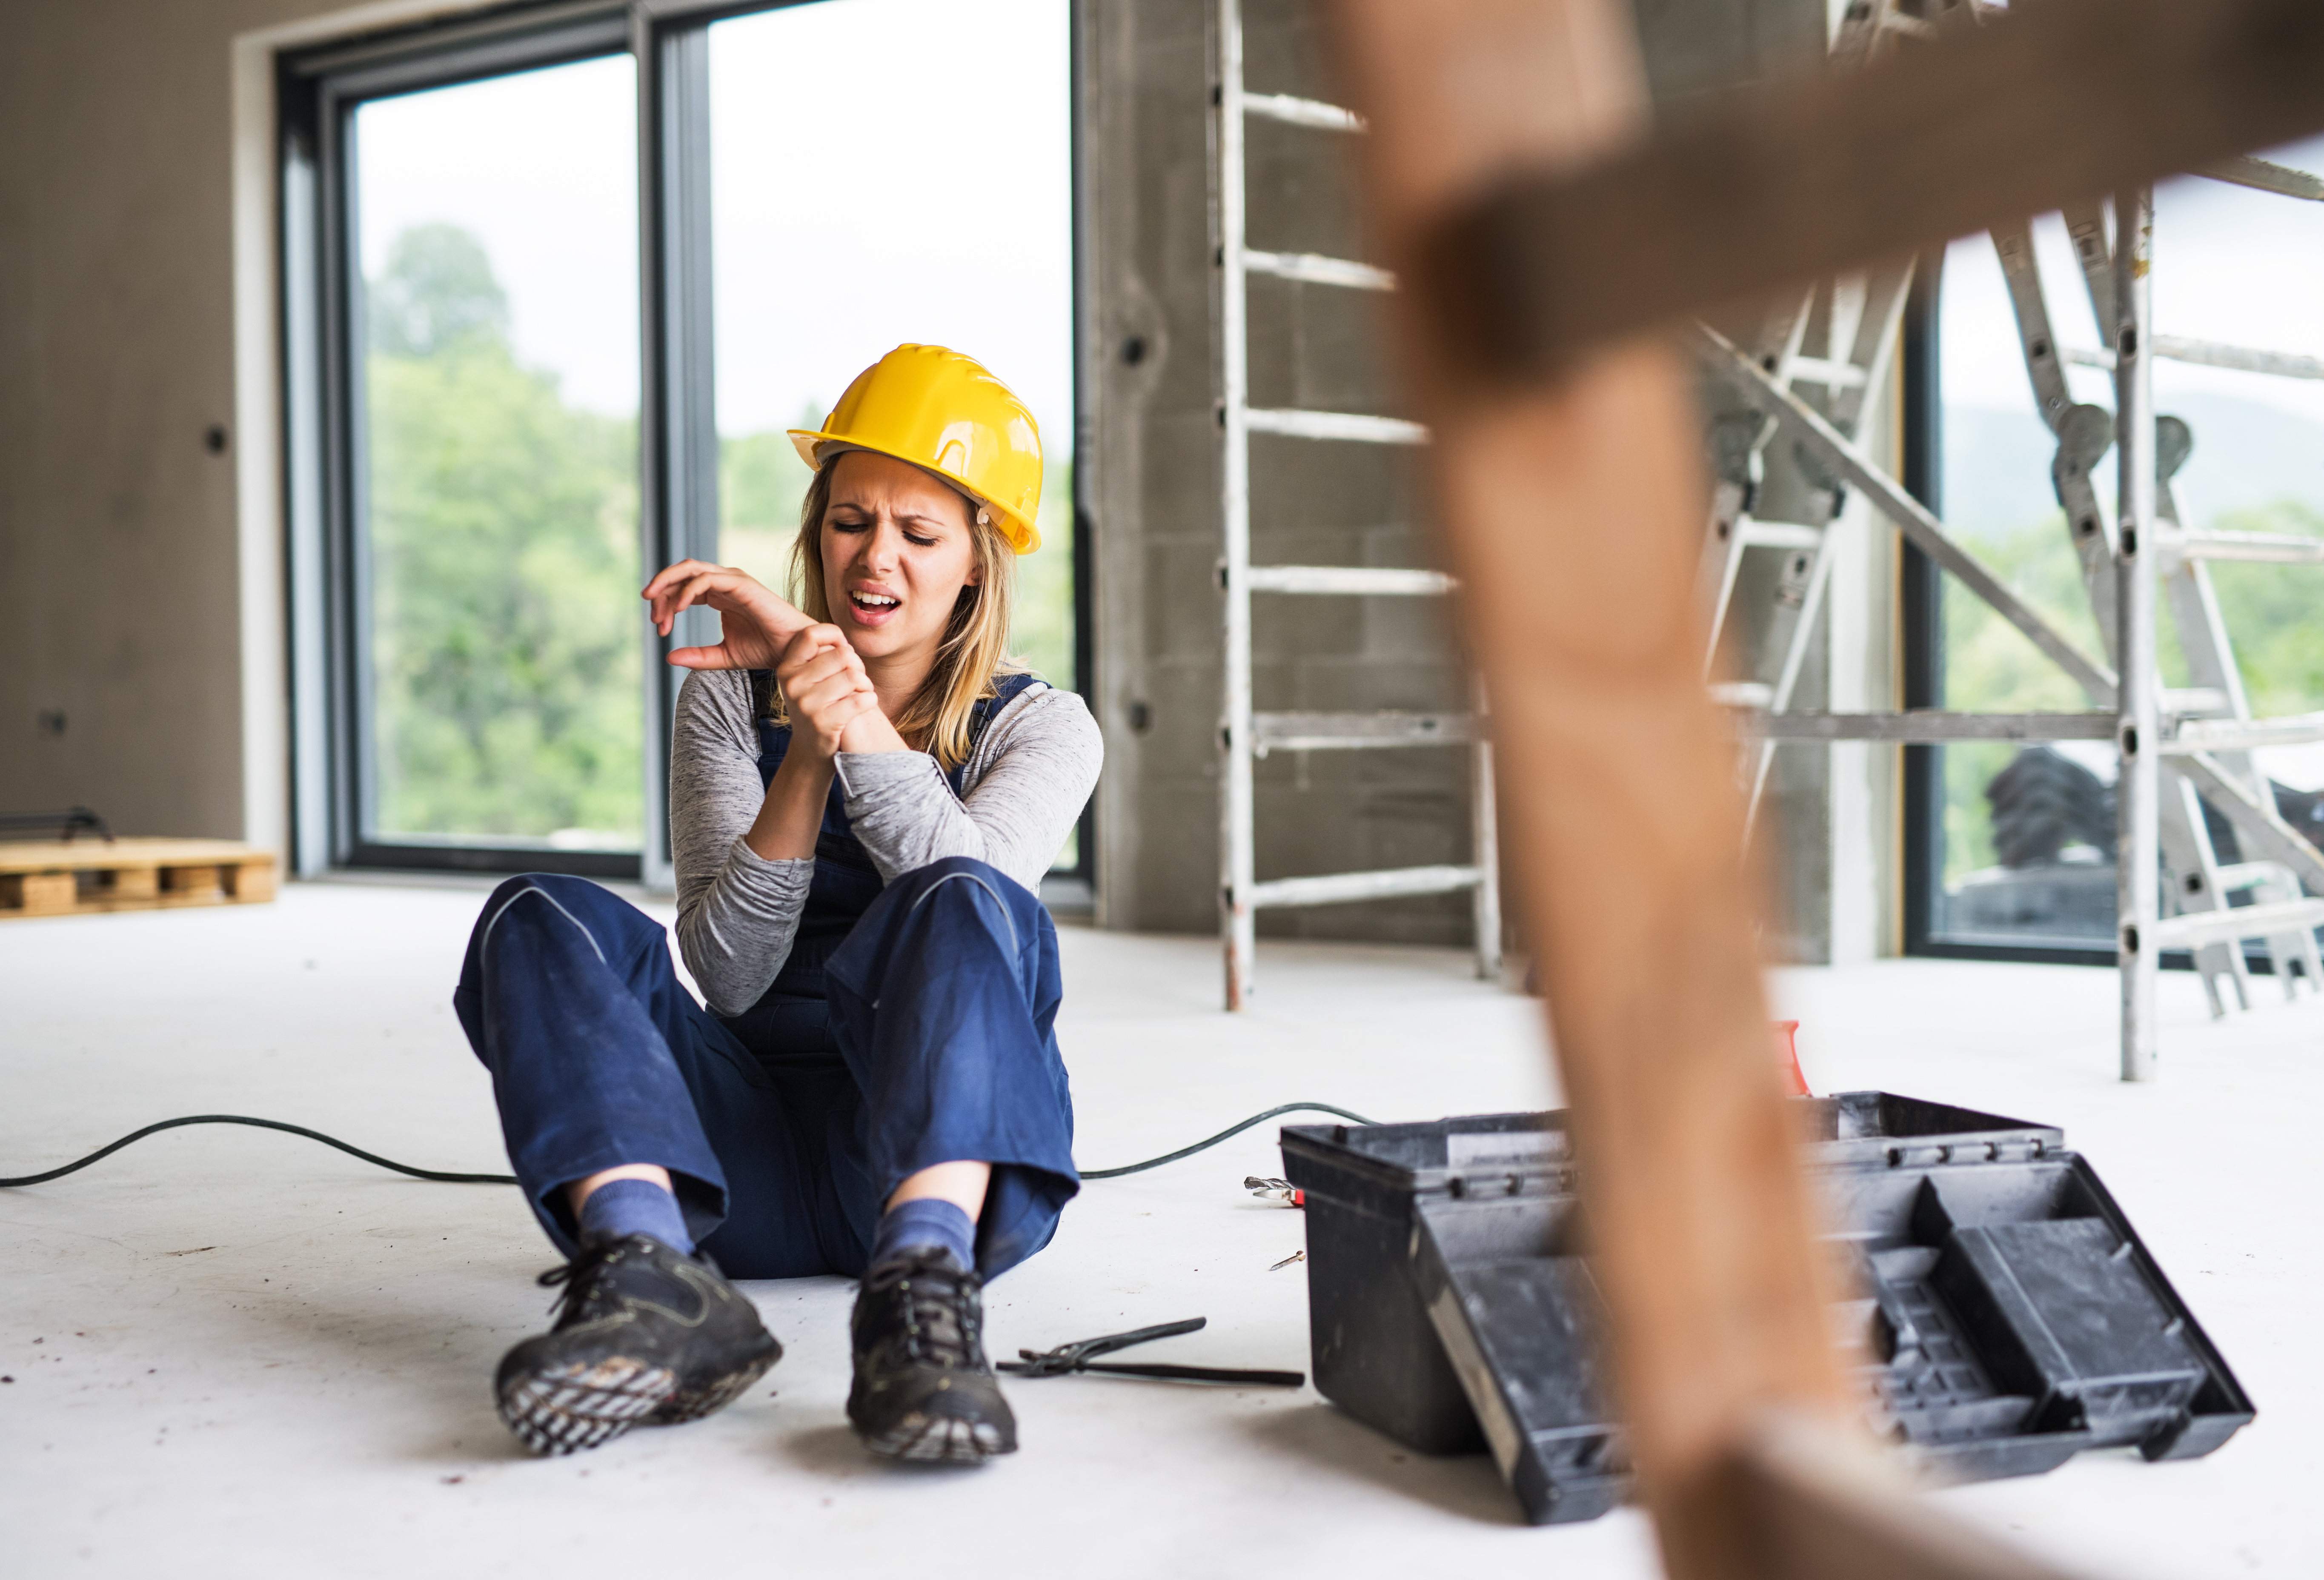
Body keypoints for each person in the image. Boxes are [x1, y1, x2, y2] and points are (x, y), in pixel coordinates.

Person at [452, 345, 1102, 1465]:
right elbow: (730, 973)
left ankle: (922, 1294)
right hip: (725, 1164)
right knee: (537, 914)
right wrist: (803, 745)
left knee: (965, 894)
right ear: (814, 531)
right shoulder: (725, 696)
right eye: (851, 521)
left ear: (975, 565)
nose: (875, 558)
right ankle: (650, 1281)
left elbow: (975, 915)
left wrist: (850, 719)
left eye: (918, 531)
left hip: (909, 1161)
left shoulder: (1043, 727)